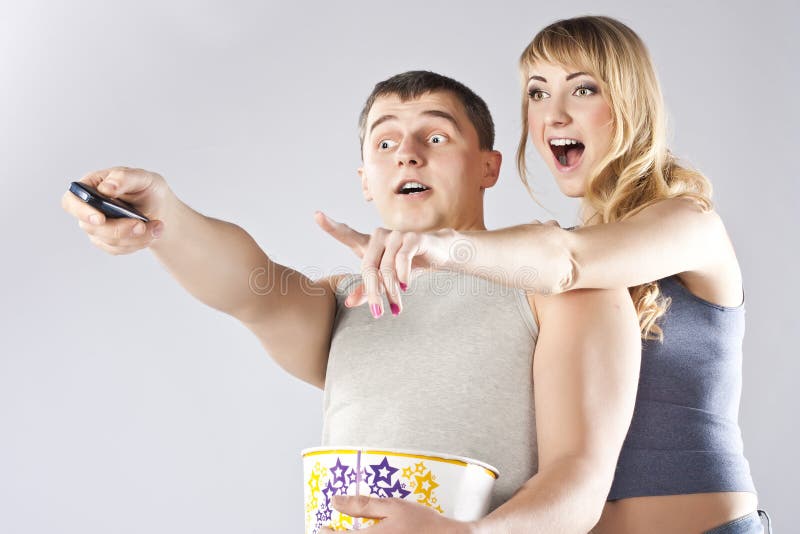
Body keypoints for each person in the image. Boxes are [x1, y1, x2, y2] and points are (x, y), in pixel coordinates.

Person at [61, 71, 641, 533]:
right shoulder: (344, 301)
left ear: (487, 166)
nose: (407, 154)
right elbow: (250, 286)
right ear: (366, 178)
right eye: (385, 141)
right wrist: (166, 216)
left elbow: (580, 481)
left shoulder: (563, 287)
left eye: (435, 137)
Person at [326, 17, 766, 534]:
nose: (553, 114)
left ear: (630, 102)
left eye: (582, 89)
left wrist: (442, 246)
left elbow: (569, 261)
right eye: (537, 94)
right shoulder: (552, 259)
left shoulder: (692, 225)